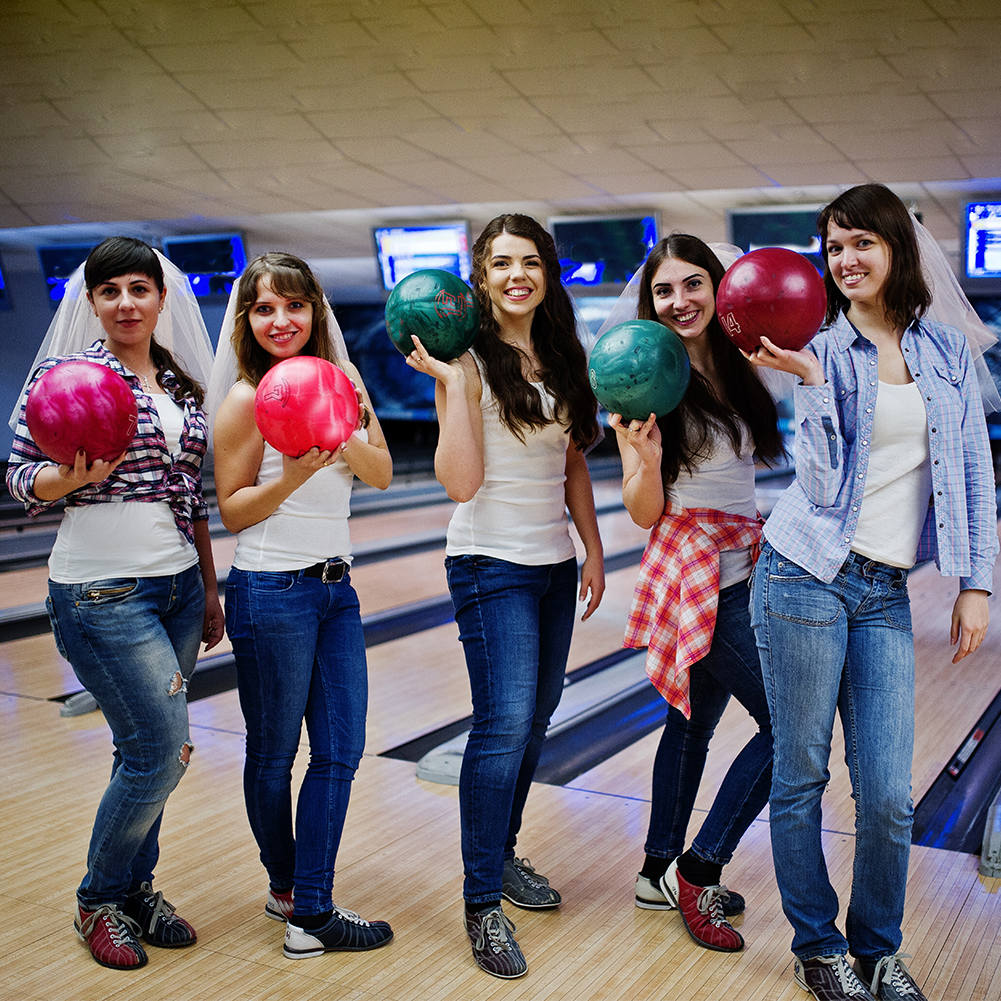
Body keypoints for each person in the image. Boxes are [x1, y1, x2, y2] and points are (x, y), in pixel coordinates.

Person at [747, 183, 998, 1001]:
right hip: (803, 577)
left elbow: (968, 470)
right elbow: (817, 489)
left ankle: (876, 948)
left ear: (895, 247)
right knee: (801, 774)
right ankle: (817, 947)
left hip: (884, 591)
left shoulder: (948, 352)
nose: (844, 259)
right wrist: (809, 387)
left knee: (889, 793)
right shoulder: (820, 347)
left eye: (860, 242)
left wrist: (975, 582)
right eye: (833, 247)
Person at [6, 236, 224, 971]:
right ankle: (98, 897)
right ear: (91, 301)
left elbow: (193, 496)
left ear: (161, 299)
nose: (127, 302)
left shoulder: (184, 387)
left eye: (140, 288)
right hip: (101, 589)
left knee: (142, 751)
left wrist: (210, 587)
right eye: (111, 291)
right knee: (163, 751)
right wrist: (64, 481)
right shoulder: (65, 378)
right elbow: (15, 473)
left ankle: (135, 890)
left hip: (178, 587)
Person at [406, 214, 605, 979]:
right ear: (479, 279)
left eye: (529, 262)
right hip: (489, 563)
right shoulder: (464, 360)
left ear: (546, 273)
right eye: (499, 264)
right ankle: (481, 898)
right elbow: (460, 482)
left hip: (552, 563)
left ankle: (504, 850)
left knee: (534, 722)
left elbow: (573, 461)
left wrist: (590, 546)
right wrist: (455, 389)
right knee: (503, 723)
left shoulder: (560, 354)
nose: (516, 274)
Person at [210, 252, 394, 961]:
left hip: (334, 590)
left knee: (341, 750)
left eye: (293, 305)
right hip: (269, 590)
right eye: (263, 308)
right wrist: (289, 478)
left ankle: (309, 905)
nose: (280, 320)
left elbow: (376, 473)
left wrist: (340, 427)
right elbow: (232, 510)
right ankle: (290, 890)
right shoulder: (244, 399)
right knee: (273, 753)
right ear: (247, 321)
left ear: (315, 310)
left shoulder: (344, 382)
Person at [608, 235, 781, 953]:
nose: (678, 301)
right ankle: (697, 865)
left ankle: (656, 869)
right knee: (790, 725)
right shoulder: (643, 377)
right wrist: (645, 460)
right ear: (648, 303)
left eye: (692, 284)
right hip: (693, 570)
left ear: (718, 288)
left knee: (688, 726)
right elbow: (641, 510)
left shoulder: (745, 364)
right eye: (663, 290)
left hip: (746, 559)